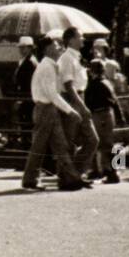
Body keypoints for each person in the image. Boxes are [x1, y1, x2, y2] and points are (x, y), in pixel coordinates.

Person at [21, 36, 86, 191]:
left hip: (47, 109)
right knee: (43, 145)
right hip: (46, 108)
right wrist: (70, 111)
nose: (59, 48)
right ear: (47, 48)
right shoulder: (47, 67)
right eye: (56, 45)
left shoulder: (48, 66)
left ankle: (71, 178)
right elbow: (52, 94)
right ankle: (32, 179)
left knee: (57, 145)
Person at [58, 26, 99, 176]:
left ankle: (75, 173)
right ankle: (69, 176)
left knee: (91, 140)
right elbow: (69, 85)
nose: (82, 39)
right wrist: (81, 106)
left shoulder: (76, 57)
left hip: (80, 97)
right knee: (72, 140)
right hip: (73, 99)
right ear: (71, 40)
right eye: (79, 36)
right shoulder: (67, 58)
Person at [84, 59, 122, 184]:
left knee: (103, 143)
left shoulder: (95, 84)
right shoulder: (107, 82)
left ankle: (110, 172)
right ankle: (114, 170)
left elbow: (89, 101)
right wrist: (120, 116)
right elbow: (115, 101)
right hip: (108, 113)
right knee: (110, 142)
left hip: (100, 114)